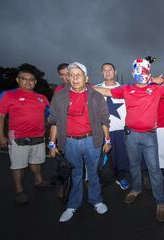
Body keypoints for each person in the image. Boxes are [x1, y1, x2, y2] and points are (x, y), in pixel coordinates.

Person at [94, 57, 164, 223]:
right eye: (138, 71)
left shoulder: (156, 89)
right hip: (130, 135)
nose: (141, 74)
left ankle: (160, 201)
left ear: (149, 73)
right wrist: (86, 87)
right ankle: (136, 189)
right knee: (133, 165)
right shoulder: (126, 88)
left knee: (153, 168)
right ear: (132, 72)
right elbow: (106, 91)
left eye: (145, 71)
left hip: (149, 135)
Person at [48, 62, 111, 222]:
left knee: (93, 173)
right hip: (70, 143)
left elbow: (105, 120)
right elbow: (54, 121)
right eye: (72, 75)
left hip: (92, 140)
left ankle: (96, 200)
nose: (75, 78)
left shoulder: (96, 96)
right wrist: (52, 143)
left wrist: (107, 140)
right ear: (68, 78)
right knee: (75, 174)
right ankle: (72, 204)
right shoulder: (59, 96)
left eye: (79, 75)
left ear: (86, 78)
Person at [0, 69, 51, 205]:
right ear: (18, 80)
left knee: (37, 162)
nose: (28, 81)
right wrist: (0, 136)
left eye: (31, 79)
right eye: (24, 78)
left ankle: (39, 181)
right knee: (18, 166)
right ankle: (19, 191)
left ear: (35, 82)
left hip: (38, 137)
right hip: (18, 138)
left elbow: (49, 116)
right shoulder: (8, 95)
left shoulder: (42, 97)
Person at [95, 62, 130, 190]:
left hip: (121, 129)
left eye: (110, 70)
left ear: (115, 72)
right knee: (103, 157)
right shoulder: (95, 89)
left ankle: (121, 177)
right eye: (104, 70)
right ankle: (102, 178)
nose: (107, 72)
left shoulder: (125, 88)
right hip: (103, 129)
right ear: (101, 73)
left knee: (121, 156)